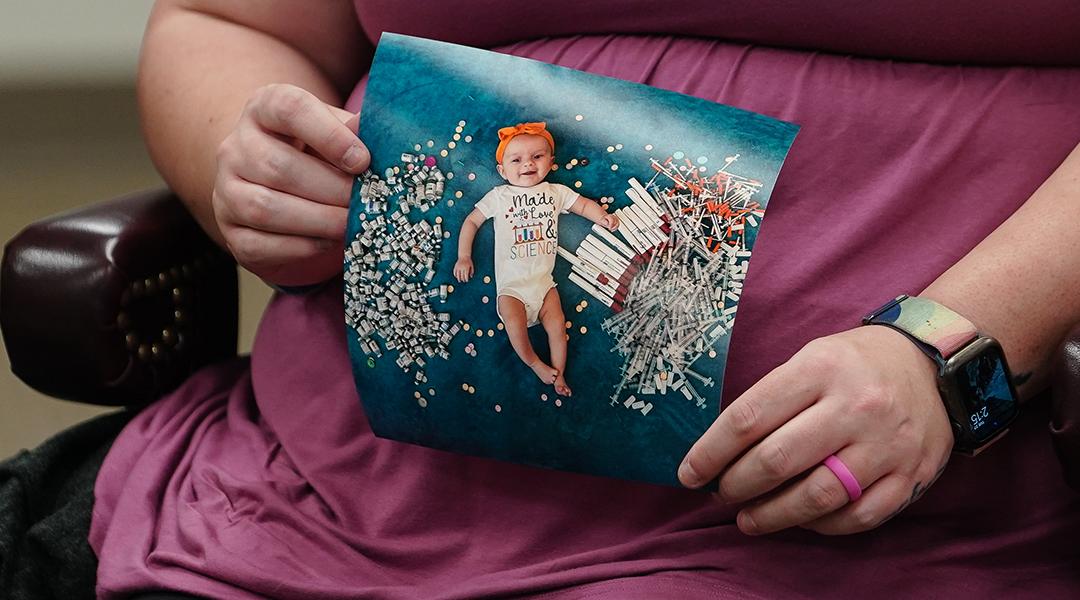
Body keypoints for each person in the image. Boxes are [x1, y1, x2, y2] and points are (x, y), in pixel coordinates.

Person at [83, 0, 1080, 598]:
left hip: (876, 533)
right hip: (332, 492)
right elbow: (225, 21)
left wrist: (949, 354)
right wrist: (247, 161)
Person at [453, 122, 619, 395]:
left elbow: (583, 205)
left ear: (551, 162)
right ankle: (534, 363)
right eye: (516, 160)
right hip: (512, 288)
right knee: (515, 327)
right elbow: (471, 221)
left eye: (537, 157)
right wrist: (463, 256)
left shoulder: (555, 192)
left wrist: (601, 216)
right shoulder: (499, 196)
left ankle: (560, 374)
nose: (527, 164)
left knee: (557, 326)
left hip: (544, 284)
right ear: (502, 170)